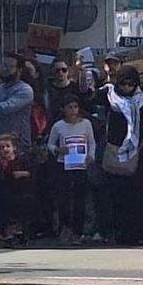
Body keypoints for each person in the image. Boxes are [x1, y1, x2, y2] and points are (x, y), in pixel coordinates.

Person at [96, 65, 143, 245]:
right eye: (123, 84)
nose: (126, 88)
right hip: (115, 152)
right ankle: (118, 233)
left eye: (130, 85)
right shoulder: (110, 96)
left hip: (139, 154)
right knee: (116, 195)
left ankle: (139, 233)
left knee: (138, 195)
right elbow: (88, 97)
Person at [0, 54, 34, 238]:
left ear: (18, 70)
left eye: (9, 66)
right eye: (2, 65)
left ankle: (19, 230)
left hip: (19, 151)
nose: (4, 69)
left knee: (18, 192)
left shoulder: (25, 90)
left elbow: (9, 106)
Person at [47, 94, 95, 245]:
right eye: (70, 107)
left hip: (81, 165)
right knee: (64, 198)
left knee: (80, 198)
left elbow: (92, 142)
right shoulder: (58, 126)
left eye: (75, 107)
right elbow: (50, 144)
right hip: (64, 165)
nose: (73, 110)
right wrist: (58, 150)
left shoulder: (86, 124)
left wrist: (90, 156)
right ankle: (65, 227)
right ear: (64, 109)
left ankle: (78, 231)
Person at [0, 133, 34, 247]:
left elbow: (32, 172)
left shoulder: (22, 160)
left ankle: (21, 234)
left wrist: (22, 173)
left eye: (7, 146)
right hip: (6, 191)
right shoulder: (0, 163)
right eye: (1, 148)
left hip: (21, 191)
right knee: (6, 213)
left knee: (21, 213)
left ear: (14, 147)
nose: (5, 149)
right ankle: (8, 235)